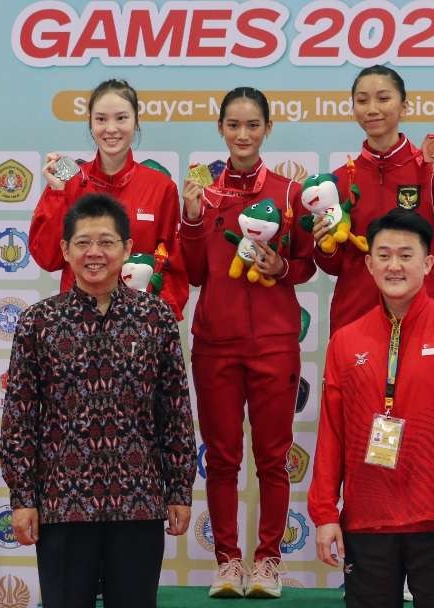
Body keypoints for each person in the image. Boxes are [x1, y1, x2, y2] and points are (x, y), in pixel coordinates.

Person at [0, 193, 196, 608]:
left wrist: (179, 490)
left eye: (106, 242)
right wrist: (22, 499)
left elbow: (175, 411)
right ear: (65, 250)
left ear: (126, 248)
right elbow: (19, 418)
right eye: (83, 242)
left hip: (138, 502)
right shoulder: (39, 322)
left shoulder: (155, 318)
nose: (95, 253)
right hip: (62, 504)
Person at [307, 209, 434, 608]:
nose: (395, 265)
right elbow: (332, 434)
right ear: (369, 264)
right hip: (367, 521)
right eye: (385, 255)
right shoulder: (346, 341)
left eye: (406, 255)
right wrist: (325, 513)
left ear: (427, 264)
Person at [179, 87, 316, 599]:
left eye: (252, 125)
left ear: (267, 130)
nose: (242, 134)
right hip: (215, 343)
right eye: (233, 125)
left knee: (273, 458)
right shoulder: (203, 193)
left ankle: (268, 561)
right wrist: (191, 219)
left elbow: (306, 263)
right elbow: (193, 273)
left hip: (274, 343)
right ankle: (228, 562)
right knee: (220, 458)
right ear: (220, 129)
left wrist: (281, 267)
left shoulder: (288, 193)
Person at [315, 65, 434, 333]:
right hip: (356, 324)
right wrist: (325, 246)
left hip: (424, 325)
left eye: (383, 98)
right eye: (362, 100)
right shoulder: (340, 181)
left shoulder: (432, 170)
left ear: (405, 106)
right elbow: (332, 266)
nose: (372, 109)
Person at [29, 78, 188, 318]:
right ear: (90, 123)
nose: (111, 129)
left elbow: (172, 264)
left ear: (136, 122)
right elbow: (48, 258)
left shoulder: (161, 187)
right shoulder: (69, 180)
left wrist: (158, 319)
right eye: (101, 119)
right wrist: (57, 194)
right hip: (76, 323)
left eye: (121, 118)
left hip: (138, 326)